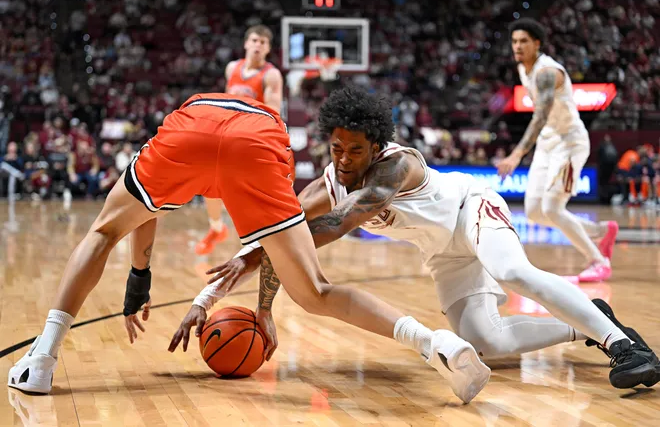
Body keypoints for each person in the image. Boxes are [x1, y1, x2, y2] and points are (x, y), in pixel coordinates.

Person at [8, 92, 490, 405]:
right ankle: (437, 344)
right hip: (256, 147)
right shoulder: (274, 129)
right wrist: (262, 308)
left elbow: (144, 214)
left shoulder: (192, 108)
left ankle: (42, 361)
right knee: (316, 291)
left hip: (188, 132)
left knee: (101, 231)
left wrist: (140, 279)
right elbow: (270, 249)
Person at [173, 86, 660, 392]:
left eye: (355, 150)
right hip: (443, 251)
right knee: (487, 340)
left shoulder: (396, 167)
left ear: (377, 147)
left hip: (473, 210)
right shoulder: (327, 182)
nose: (343, 159)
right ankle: (591, 321)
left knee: (513, 271)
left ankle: (624, 346)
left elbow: (323, 229)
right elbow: (286, 241)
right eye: (337, 147)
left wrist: (257, 252)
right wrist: (243, 298)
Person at [496, 18, 618, 282]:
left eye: (523, 41)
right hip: (547, 142)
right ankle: (599, 232)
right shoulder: (522, 68)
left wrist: (517, 154)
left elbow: (540, 116)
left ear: (537, 43)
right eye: (514, 41)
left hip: (569, 143)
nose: (517, 46)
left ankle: (599, 261)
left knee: (552, 208)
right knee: (533, 211)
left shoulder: (547, 73)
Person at [195, 25, 284, 256]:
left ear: (268, 48)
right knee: (209, 183)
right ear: (246, 43)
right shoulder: (232, 68)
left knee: (254, 196)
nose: (258, 45)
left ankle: (269, 242)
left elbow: (273, 113)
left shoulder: (271, 75)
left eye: (263, 42)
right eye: (254, 40)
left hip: (254, 137)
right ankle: (216, 228)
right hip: (228, 135)